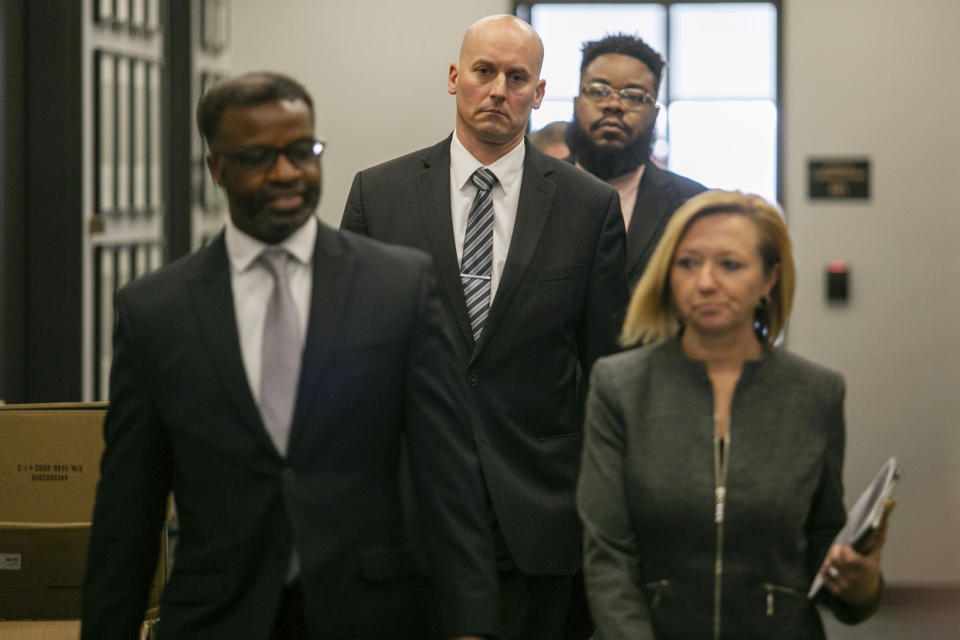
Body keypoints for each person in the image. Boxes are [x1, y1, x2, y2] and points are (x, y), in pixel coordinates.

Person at [81, 72, 499, 640]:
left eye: (302, 151)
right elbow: (128, 511)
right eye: (258, 157)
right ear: (215, 168)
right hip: (217, 617)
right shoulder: (155, 311)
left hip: (372, 613)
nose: (286, 173)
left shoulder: (396, 287)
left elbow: (447, 475)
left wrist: (470, 624)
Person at [342, 14, 628, 640]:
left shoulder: (589, 209)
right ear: (454, 78)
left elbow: (608, 370)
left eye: (517, 77)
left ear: (538, 92)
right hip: (406, 507)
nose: (499, 89)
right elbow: (345, 363)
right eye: (484, 71)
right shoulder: (378, 195)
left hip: (535, 509)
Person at [576, 190, 885, 639]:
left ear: (768, 279)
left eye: (730, 265)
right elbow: (608, 556)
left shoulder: (815, 393)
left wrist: (862, 585)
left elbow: (824, 548)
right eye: (687, 263)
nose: (705, 282)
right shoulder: (621, 387)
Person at [566, 34, 706, 291]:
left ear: (655, 113)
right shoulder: (533, 191)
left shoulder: (692, 206)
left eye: (634, 96)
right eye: (598, 91)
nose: (614, 104)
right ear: (576, 101)